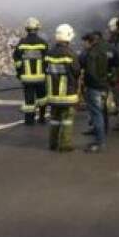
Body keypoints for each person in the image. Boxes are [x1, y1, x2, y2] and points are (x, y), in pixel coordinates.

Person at [44, 24, 81, 153]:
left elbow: (45, 69)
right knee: (67, 120)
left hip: (53, 94)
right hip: (67, 94)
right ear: (69, 36)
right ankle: (65, 145)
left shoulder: (49, 53)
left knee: (54, 119)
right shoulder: (70, 54)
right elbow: (76, 72)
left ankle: (52, 143)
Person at [12, 17, 49, 125]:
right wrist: (46, 71)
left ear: (26, 29)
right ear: (37, 29)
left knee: (29, 99)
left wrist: (19, 72)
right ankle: (42, 118)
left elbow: (17, 59)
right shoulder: (43, 43)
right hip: (40, 76)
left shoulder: (22, 43)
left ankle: (29, 120)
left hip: (27, 77)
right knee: (42, 98)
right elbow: (47, 59)